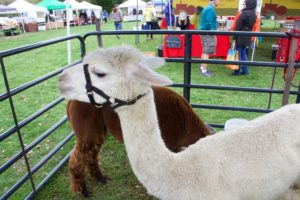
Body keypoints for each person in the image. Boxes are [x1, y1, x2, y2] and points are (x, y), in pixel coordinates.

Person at [230, 0, 260, 75]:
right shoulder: (254, 13)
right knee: (244, 52)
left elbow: (238, 25)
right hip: (248, 34)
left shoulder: (244, 13)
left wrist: (234, 37)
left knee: (239, 52)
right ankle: (245, 70)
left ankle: (237, 71)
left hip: (241, 35)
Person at [199, 0, 220, 77]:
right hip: (208, 33)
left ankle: (202, 68)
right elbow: (209, 22)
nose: (220, 1)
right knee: (207, 52)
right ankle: (203, 71)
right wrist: (213, 30)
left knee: (205, 51)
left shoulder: (207, 7)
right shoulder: (210, 9)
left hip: (205, 32)